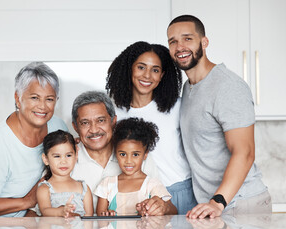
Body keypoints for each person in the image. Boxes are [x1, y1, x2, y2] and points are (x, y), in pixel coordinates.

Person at [167, 15, 271, 218]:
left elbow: (245, 152)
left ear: (204, 42)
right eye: (173, 41)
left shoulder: (227, 86)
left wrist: (218, 202)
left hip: (241, 204)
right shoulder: (189, 88)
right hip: (213, 206)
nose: (180, 46)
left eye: (187, 38)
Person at [0, 62, 68, 217]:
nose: (42, 106)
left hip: (25, 227)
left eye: (49, 99)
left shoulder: (58, 127)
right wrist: (27, 201)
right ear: (18, 99)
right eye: (34, 97)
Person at [106, 41, 196, 214]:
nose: (147, 75)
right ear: (129, 69)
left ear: (162, 75)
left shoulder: (178, 107)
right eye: (141, 67)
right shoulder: (114, 113)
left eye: (155, 70)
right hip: (137, 197)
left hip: (180, 193)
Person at [70, 91, 159, 210]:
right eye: (85, 123)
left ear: (113, 121)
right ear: (75, 127)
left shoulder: (137, 155)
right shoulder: (64, 159)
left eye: (101, 120)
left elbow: (165, 204)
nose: (94, 129)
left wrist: (161, 207)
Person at [94, 117, 176, 216]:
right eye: (123, 154)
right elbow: (99, 216)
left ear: (145, 154)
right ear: (116, 153)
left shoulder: (152, 184)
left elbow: (173, 210)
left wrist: (162, 208)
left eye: (135, 154)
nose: (128, 161)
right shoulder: (107, 184)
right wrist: (107, 215)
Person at [37, 130, 93, 217]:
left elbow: (89, 217)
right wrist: (61, 212)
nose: (63, 161)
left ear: (76, 156)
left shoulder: (83, 187)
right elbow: (45, 211)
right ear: (45, 159)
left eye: (68, 155)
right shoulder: (44, 188)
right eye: (57, 156)